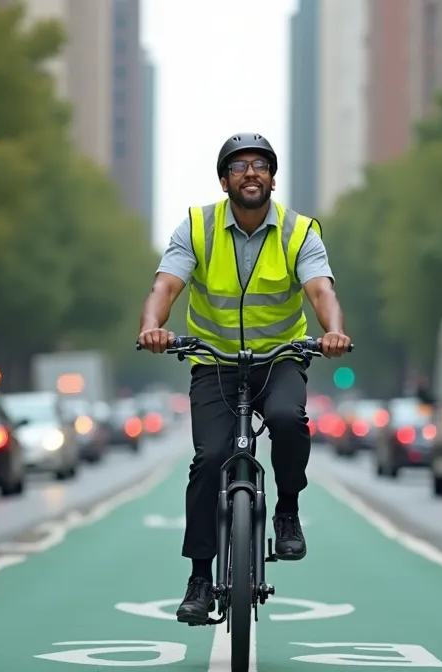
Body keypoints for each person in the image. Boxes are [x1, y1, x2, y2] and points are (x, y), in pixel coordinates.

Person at [137, 132, 353, 625]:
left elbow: (320, 289)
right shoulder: (197, 226)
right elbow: (165, 284)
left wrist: (334, 332)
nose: (250, 172)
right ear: (224, 180)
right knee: (209, 458)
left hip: (278, 358)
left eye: (260, 165)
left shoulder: (300, 232)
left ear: (273, 178)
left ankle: (288, 510)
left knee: (287, 417)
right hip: (213, 360)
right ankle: (198, 576)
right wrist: (152, 326)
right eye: (239, 166)